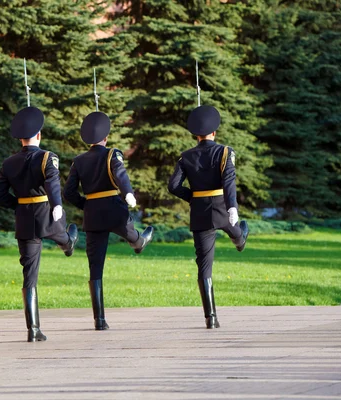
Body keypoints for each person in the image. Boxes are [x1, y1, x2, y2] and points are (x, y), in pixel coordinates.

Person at [0, 106, 79, 342]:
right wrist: (56, 204)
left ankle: (33, 329)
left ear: (21, 138)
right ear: (38, 135)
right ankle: (67, 243)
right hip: (46, 213)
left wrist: (20, 206)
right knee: (62, 234)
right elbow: (51, 181)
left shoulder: (9, 162)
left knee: (29, 276)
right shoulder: (46, 157)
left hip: (25, 218)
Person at [63, 111, 154, 331]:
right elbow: (120, 173)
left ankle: (99, 320)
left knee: (95, 268)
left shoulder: (78, 161)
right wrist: (129, 193)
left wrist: (87, 205)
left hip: (93, 214)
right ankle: (138, 242)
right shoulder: (112, 154)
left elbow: (68, 192)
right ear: (106, 138)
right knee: (131, 233)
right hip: (113, 208)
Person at [167, 105, 249, 329]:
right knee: (237, 231)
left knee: (204, 266)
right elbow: (229, 180)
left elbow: (173, 186)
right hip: (222, 206)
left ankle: (210, 317)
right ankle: (240, 239)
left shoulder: (186, 156)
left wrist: (193, 197)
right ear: (214, 132)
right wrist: (232, 207)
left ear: (196, 134)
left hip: (200, 209)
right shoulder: (224, 152)